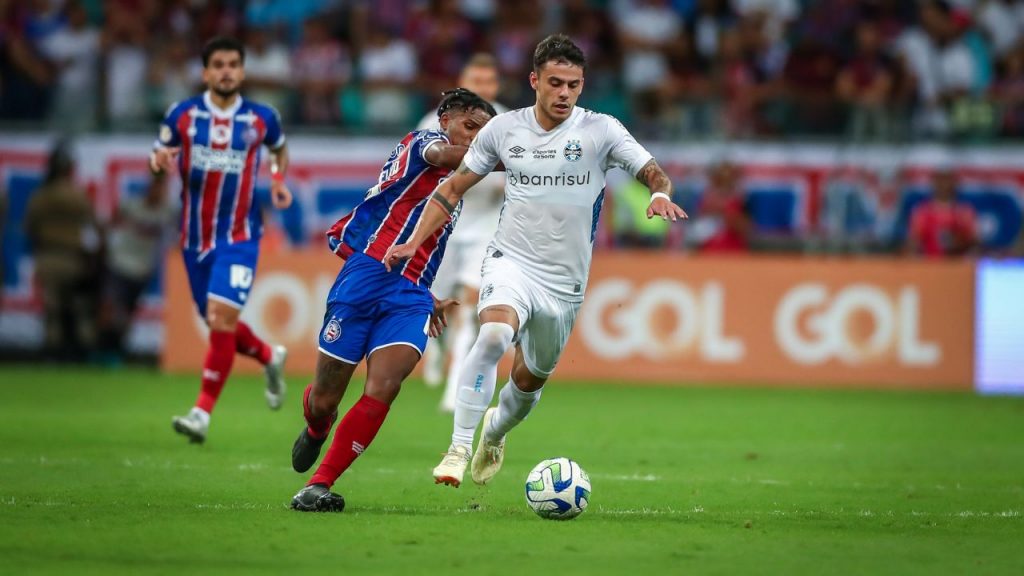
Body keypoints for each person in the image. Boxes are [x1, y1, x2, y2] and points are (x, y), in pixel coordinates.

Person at [385, 34, 687, 488]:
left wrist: (660, 192)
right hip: (511, 259)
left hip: (564, 282)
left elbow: (651, 170)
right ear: (534, 81)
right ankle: (457, 448)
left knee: (527, 383)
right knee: (491, 336)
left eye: (573, 84)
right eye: (555, 83)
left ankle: (494, 432)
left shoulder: (600, 129)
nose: (564, 93)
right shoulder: (503, 130)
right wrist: (413, 241)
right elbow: (451, 189)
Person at [289, 88, 497, 512]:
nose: (476, 140)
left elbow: (427, 246)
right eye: (471, 127)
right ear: (444, 119)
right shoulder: (422, 144)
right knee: (326, 399)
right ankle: (315, 425)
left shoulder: (456, 191)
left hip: (411, 296)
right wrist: (513, 152)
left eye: (485, 134)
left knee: (385, 385)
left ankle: (319, 484)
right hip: (364, 277)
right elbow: (444, 155)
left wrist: (429, 294)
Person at [150, 37, 292, 444]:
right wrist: (158, 163)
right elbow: (158, 155)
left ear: (242, 71)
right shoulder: (183, 115)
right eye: (219, 64)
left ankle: (201, 413)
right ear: (206, 72)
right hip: (195, 240)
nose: (227, 70)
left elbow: (279, 150)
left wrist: (278, 181)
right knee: (219, 323)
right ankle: (269, 355)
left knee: (220, 320)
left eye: (233, 63)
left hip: (240, 236)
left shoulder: (262, 118)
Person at [416, 53, 508, 412]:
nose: (482, 88)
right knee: (433, 303)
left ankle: (455, 389)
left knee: (469, 306)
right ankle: (435, 349)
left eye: (488, 82)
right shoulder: (435, 120)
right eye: (476, 80)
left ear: (495, 86)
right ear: (463, 80)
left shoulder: (505, 123)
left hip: (485, 223)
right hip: (443, 223)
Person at [24, 141, 102, 360]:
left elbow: (30, 227)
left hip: (47, 256)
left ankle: (52, 353)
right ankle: (83, 353)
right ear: (69, 168)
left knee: (52, 311)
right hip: (73, 259)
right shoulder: (78, 196)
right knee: (79, 309)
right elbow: (94, 228)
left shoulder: (41, 196)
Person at [98, 173, 177, 361]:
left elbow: (181, 231)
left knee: (126, 315)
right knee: (108, 308)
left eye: (162, 188)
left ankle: (116, 352)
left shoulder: (167, 212)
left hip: (142, 270)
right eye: (155, 187)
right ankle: (99, 350)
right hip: (119, 263)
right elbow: (109, 224)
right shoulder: (131, 206)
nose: (158, 192)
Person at [905, 168, 978, 258]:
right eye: (940, 179)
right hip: (929, 265)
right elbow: (913, 242)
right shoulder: (921, 211)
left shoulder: (964, 211)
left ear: (954, 182)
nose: (944, 184)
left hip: (958, 264)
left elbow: (975, 242)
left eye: (947, 179)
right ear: (934, 182)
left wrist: (960, 241)